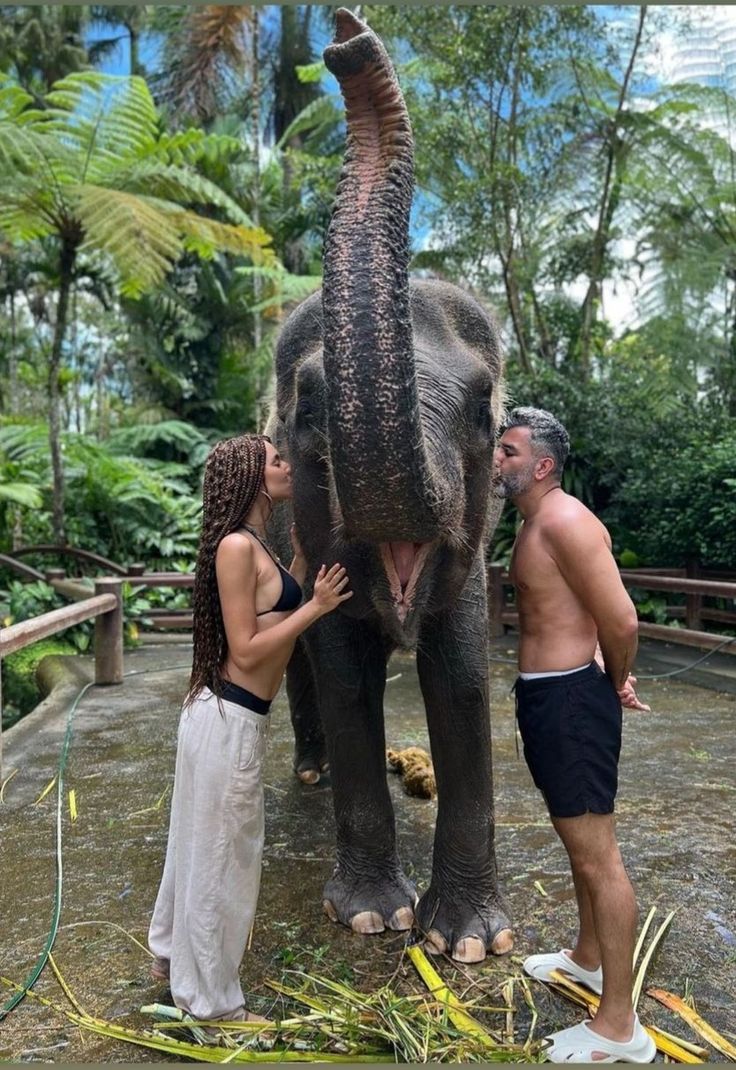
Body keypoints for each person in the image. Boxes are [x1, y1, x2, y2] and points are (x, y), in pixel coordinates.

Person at [148, 433, 352, 1027]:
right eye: (276, 460)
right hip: (227, 719)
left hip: (224, 718)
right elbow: (244, 648)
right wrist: (314, 607)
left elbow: (270, 604)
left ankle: (168, 956)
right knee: (222, 861)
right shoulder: (235, 547)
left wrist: (296, 565)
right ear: (253, 478)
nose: (287, 465)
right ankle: (210, 1005)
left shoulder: (252, 544)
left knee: (192, 845)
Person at [493, 407, 655, 1064]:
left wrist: (617, 681)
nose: (496, 460)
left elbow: (622, 619)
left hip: (571, 703)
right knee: (575, 840)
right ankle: (588, 957)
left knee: (598, 857)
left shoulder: (565, 521)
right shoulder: (538, 524)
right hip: (550, 697)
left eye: (507, 450)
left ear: (542, 465)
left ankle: (621, 1026)